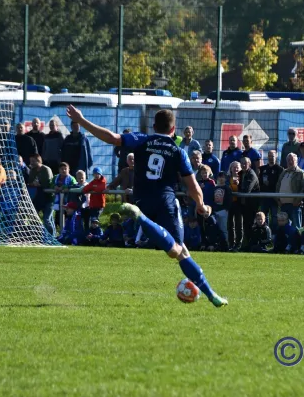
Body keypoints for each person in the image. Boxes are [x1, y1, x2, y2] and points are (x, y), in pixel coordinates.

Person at [66, 105, 228, 307]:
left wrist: (81, 121)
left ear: (154, 126)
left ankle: (211, 295)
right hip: (165, 200)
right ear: (173, 129)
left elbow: (111, 138)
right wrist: (201, 204)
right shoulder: (178, 151)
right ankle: (139, 218)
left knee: (181, 251)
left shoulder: (143, 139)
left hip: (142, 200)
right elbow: (192, 185)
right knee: (177, 250)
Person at [275, 153, 304, 230]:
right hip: (283, 205)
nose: (290, 162)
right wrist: (277, 200)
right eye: (288, 160)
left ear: (296, 161)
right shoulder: (283, 172)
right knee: (283, 229)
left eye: (292, 160)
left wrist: (298, 200)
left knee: (296, 228)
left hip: (295, 206)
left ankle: (297, 242)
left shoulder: (301, 173)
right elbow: (278, 186)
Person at [28, 154, 55, 236]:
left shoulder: (46, 169)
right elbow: (30, 182)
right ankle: (38, 235)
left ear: (38, 161)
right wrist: (34, 184)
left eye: (33, 161)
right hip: (38, 197)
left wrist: (39, 184)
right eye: (30, 161)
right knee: (34, 216)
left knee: (47, 219)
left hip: (48, 198)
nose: (31, 163)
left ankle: (52, 237)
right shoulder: (32, 170)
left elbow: (48, 183)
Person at [258, 150, 283, 231]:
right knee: (264, 216)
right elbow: (259, 182)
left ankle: (273, 235)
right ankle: (265, 233)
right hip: (264, 196)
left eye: (272, 156)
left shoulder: (280, 169)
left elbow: (280, 183)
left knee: (274, 216)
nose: (271, 158)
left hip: (274, 197)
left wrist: (271, 183)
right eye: (269, 156)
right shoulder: (263, 169)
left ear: (276, 157)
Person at [239, 156, 260, 246]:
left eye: (245, 163)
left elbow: (247, 190)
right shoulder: (240, 173)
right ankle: (245, 244)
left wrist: (237, 187)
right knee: (244, 225)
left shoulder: (251, 174)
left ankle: (251, 245)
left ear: (250, 164)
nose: (243, 165)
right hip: (243, 204)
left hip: (251, 205)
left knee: (250, 225)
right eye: (242, 163)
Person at [227, 161, 244, 252]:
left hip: (239, 203)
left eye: (237, 167)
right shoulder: (227, 178)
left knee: (239, 225)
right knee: (230, 225)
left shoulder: (242, 177)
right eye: (233, 167)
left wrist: (239, 184)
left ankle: (238, 244)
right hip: (230, 204)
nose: (235, 169)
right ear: (230, 169)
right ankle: (231, 244)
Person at [212, 171, 231, 247]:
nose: (221, 179)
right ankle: (218, 244)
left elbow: (229, 199)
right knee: (217, 228)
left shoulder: (227, 188)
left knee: (224, 228)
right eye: (219, 177)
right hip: (216, 210)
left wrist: (227, 208)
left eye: (223, 177)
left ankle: (226, 244)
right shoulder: (215, 188)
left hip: (224, 210)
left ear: (226, 178)